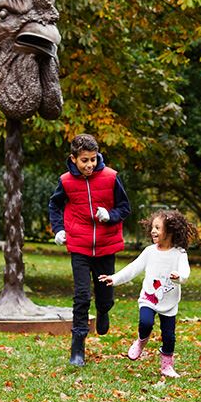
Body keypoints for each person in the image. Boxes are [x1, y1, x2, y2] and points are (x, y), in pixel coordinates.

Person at [48, 134, 131, 366]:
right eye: (84, 160)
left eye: (93, 159)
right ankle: (77, 349)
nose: (89, 165)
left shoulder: (111, 177)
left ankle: (104, 310)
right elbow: (55, 205)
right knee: (82, 296)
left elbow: (125, 208)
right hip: (80, 245)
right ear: (73, 159)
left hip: (106, 246)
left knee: (104, 295)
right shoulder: (65, 181)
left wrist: (110, 215)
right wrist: (58, 230)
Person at [99, 210, 191, 378]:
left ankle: (167, 365)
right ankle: (141, 341)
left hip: (169, 302)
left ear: (170, 231)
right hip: (149, 298)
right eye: (152, 227)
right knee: (146, 323)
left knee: (169, 335)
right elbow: (133, 268)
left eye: (158, 227)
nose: (153, 231)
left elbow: (185, 272)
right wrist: (115, 278)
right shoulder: (150, 251)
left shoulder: (179, 253)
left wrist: (180, 277)